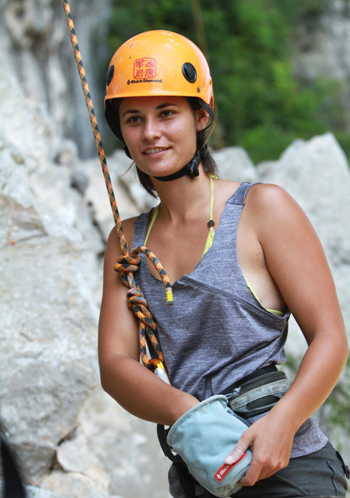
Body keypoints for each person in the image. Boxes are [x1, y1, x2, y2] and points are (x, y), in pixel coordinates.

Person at [98, 30, 349, 498]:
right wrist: (185, 412)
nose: (150, 132)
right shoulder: (127, 241)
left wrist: (282, 424)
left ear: (200, 116)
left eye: (167, 113)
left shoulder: (262, 210)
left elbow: (331, 337)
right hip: (203, 473)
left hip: (289, 469)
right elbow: (114, 365)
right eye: (134, 118)